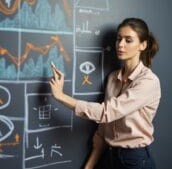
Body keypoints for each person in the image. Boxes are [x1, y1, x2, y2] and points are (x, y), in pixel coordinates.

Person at [49, 18, 161, 169]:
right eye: (118, 39)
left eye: (128, 40)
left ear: (143, 45)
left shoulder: (148, 81)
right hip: (109, 157)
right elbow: (104, 130)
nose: (120, 45)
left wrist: (61, 96)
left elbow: (106, 112)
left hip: (135, 159)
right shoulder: (113, 78)